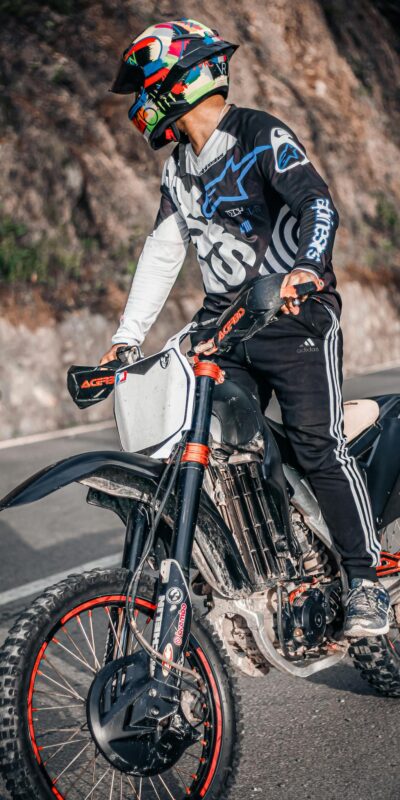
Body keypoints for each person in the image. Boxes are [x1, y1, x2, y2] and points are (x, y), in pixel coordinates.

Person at [100, 18, 389, 637]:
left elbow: (316, 202)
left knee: (317, 444)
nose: (141, 105)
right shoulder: (180, 167)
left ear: (181, 81)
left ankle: (364, 579)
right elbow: (161, 251)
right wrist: (127, 339)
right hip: (228, 329)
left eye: (144, 88)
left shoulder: (259, 134)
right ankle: (253, 564)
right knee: (203, 442)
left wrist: (306, 270)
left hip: (294, 318)